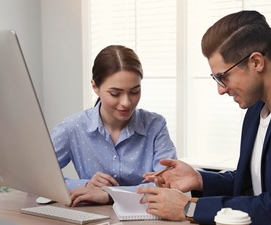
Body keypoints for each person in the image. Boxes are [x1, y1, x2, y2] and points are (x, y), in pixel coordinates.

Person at [138, 10, 271, 225]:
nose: (220, 89)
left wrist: (190, 208)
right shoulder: (256, 108)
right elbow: (252, 184)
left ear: (256, 62)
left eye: (223, 76)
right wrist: (199, 179)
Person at [51, 45, 177, 206]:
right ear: (95, 87)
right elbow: (38, 176)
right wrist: (85, 185)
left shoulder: (155, 125)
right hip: (90, 220)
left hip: (145, 222)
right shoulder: (73, 127)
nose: (126, 103)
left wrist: (110, 194)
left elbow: (167, 184)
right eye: (115, 93)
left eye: (134, 91)